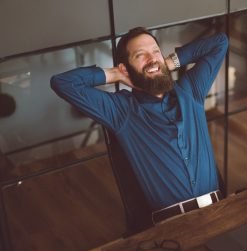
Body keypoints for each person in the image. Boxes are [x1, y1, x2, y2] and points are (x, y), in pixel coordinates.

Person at [50, 27, 229, 223]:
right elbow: (63, 83)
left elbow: (220, 42)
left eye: (155, 51)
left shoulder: (191, 91)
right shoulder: (121, 110)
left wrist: (167, 63)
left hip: (220, 210)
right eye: (140, 55)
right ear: (126, 68)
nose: (151, 59)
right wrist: (115, 74)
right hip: (172, 227)